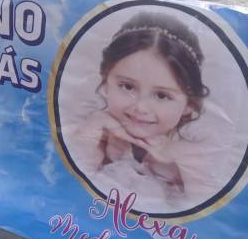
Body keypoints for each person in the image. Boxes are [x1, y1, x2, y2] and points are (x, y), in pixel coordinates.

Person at [72, 11, 221, 211]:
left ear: (189, 104)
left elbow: (206, 212)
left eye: (161, 95)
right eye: (127, 87)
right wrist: (89, 134)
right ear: (106, 82)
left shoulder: (191, 156)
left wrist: (178, 161)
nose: (140, 107)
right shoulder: (98, 133)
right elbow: (70, 186)